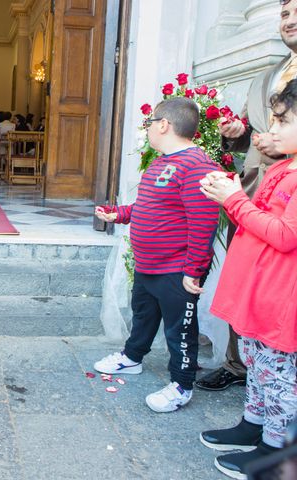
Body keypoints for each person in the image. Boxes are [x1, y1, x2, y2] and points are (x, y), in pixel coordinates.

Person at [93, 97, 220, 413]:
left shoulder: (196, 166)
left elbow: (203, 221)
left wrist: (194, 270)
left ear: (164, 125)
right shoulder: (159, 162)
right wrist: (119, 214)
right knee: (144, 314)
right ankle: (132, 357)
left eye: (149, 123)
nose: (147, 129)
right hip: (148, 264)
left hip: (177, 268)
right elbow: (147, 207)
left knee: (180, 329)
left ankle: (181, 384)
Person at [195, 0, 297, 393]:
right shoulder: (268, 75)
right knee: (247, 280)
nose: (289, 21)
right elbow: (253, 128)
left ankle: (275, 386)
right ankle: (242, 367)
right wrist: (236, 132)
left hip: (286, 201)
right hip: (256, 187)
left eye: (295, 13)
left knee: (277, 291)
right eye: (284, 14)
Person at [198, 79, 297, 480]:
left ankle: (276, 449)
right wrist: (232, 195)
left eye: (283, 121)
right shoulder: (285, 166)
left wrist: (234, 201)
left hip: (279, 290)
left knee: (276, 374)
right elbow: (258, 219)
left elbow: (286, 235)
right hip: (258, 286)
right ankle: (252, 424)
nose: (270, 130)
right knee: (256, 363)